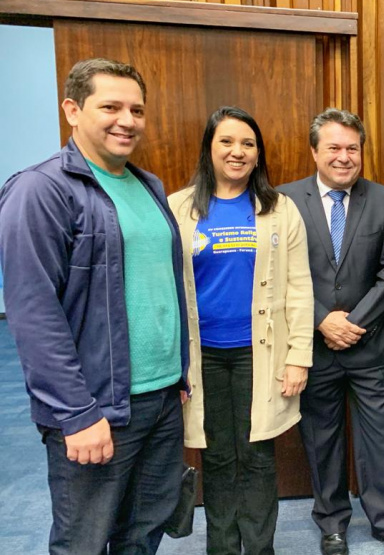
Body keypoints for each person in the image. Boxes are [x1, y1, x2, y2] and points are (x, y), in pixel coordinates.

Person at [0, 58, 189, 554]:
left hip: (161, 398)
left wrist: (178, 378)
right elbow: (34, 314)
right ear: (72, 110)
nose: (127, 120)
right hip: (96, 406)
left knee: (142, 535)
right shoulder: (40, 190)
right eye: (110, 107)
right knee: (83, 542)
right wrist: (77, 414)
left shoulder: (148, 186)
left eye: (137, 110)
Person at [168, 106, 314, 554]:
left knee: (256, 455)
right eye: (227, 142)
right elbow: (166, 291)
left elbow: (299, 287)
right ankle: (223, 548)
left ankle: (259, 548)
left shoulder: (279, 210)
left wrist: (298, 356)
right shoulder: (178, 208)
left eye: (248, 143)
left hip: (260, 354)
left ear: (258, 153)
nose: (238, 151)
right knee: (216, 456)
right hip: (203, 358)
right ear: (209, 149)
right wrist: (172, 366)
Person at [278, 108, 384, 555]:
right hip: (314, 346)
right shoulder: (285, 200)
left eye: (352, 148)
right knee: (322, 439)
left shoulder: (383, 200)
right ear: (314, 151)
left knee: (381, 439)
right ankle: (332, 522)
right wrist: (322, 319)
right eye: (334, 148)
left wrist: (353, 323)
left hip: (368, 343)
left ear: (362, 152)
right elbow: (279, 272)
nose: (344, 157)